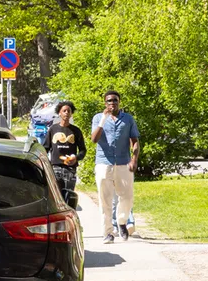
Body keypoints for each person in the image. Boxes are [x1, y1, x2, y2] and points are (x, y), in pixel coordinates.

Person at [91, 90, 140, 243]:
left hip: (123, 162)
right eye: (109, 101)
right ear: (105, 103)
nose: (112, 103)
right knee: (105, 199)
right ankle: (108, 232)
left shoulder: (128, 119)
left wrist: (134, 159)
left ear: (119, 102)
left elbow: (135, 140)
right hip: (103, 163)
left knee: (127, 196)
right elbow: (94, 139)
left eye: (115, 100)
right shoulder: (98, 118)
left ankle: (122, 222)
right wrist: (103, 120)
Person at [43, 101, 84, 208]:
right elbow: (46, 147)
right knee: (55, 197)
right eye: (64, 111)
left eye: (69, 111)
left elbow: (83, 151)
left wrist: (76, 158)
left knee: (69, 197)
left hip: (70, 169)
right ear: (59, 113)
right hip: (55, 167)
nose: (66, 113)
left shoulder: (76, 131)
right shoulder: (53, 129)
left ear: (71, 114)